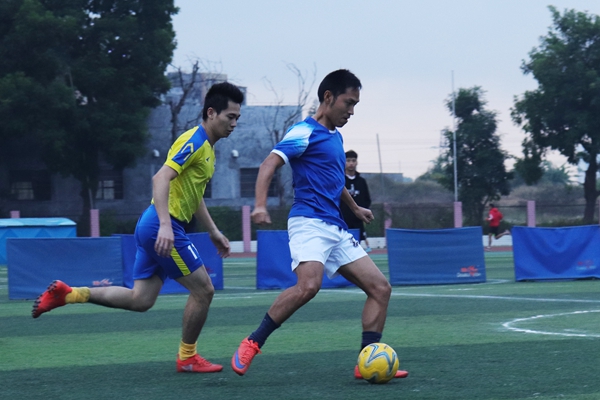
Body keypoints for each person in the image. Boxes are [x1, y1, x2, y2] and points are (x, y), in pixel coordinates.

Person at [31, 82, 245, 373]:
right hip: (161, 226)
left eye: (237, 118)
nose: (234, 124)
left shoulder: (207, 149)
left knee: (140, 299)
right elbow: (160, 178)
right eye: (230, 117)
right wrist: (166, 226)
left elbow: (193, 197)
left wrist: (213, 231)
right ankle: (187, 357)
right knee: (204, 290)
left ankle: (70, 294)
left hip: (153, 225)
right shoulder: (194, 141)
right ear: (211, 113)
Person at [230, 69, 408, 380]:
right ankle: (252, 342)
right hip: (308, 222)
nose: (351, 112)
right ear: (328, 97)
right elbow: (269, 163)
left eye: (355, 105)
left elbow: (335, 181)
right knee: (308, 286)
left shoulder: (336, 137)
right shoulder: (304, 132)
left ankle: (366, 361)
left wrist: (355, 208)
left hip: (336, 228)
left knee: (381, 288)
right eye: (348, 103)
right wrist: (259, 205)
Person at [340, 150, 372, 252]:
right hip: (342, 221)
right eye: (348, 160)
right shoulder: (340, 180)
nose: (351, 163)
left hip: (357, 221)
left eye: (353, 160)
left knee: (356, 249)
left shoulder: (361, 181)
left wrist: (361, 211)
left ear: (356, 162)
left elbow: (367, 199)